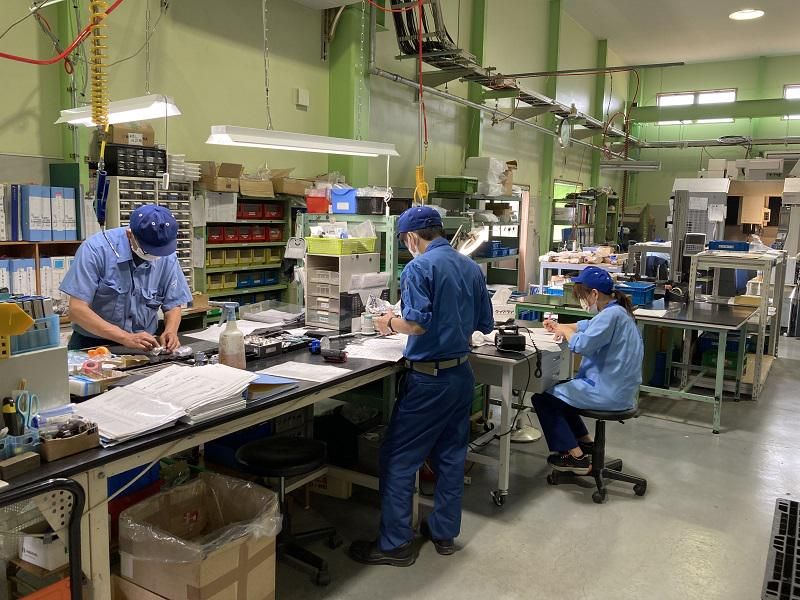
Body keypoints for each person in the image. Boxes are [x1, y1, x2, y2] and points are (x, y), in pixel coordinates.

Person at [349, 206, 494, 567]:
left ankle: (396, 544)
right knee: (450, 456)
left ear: (412, 237)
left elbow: (416, 325)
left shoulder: (418, 268)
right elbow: (485, 323)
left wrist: (388, 321)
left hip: (429, 380)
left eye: (404, 241)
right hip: (460, 376)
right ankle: (444, 533)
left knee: (398, 458)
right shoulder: (469, 267)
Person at [532, 266, 643, 475]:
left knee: (544, 399)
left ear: (594, 294)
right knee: (562, 393)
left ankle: (575, 457)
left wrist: (565, 331)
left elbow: (582, 345)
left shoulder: (610, 316)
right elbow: (588, 325)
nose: (582, 302)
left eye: (582, 297)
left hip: (608, 392)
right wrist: (561, 326)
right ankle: (585, 443)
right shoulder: (618, 311)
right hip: (622, 391)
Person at [60, 204, 192, 352]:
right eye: (148, 250)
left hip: (144, 344)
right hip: (93, 344)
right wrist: (124, 337)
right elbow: (77, 310)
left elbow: (173, 303)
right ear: (130, 235)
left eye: (159, 251)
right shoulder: (95, 250)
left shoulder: (165, 253)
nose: (155, 255)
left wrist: (170, 331)